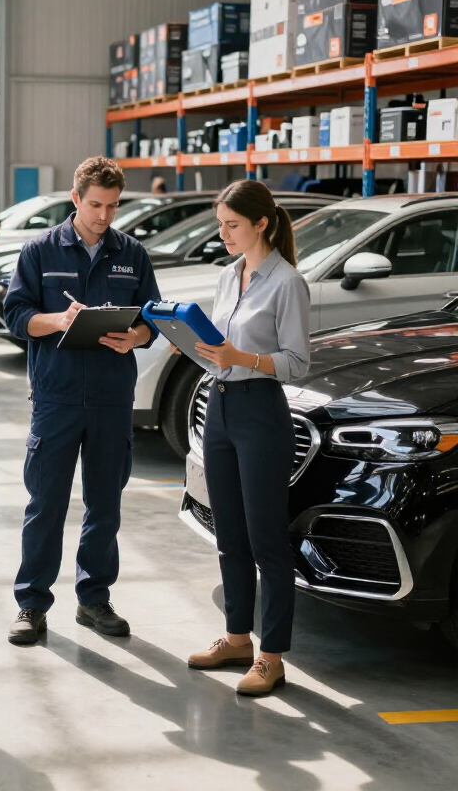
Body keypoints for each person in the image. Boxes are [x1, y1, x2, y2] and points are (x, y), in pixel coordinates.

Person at [3, 156, 161, 646]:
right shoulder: (40, 251)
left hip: (113, 397)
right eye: (95, 205)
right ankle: (31, 604)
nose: (104, 216)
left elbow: (152, 317)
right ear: (76, 199)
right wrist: (58, 321)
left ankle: (94, 599)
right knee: (46, 503)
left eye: (113, 206)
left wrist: (135, 336)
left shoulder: (131, 253)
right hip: (57, 396)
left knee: (105, 504)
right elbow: (16, 316)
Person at [187, 179, 310, 697]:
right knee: (229, 534)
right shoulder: (226, 277)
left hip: (262, 412)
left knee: (266, 540)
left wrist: (242, 359)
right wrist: (191, 347)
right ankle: (237, 637)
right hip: (220, 407)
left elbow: (298, 363)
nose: (224, 234)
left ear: (261, 223)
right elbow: (219, 351)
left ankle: (271, 656)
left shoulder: (287, 283)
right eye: (221, 224)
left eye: (232, 225)